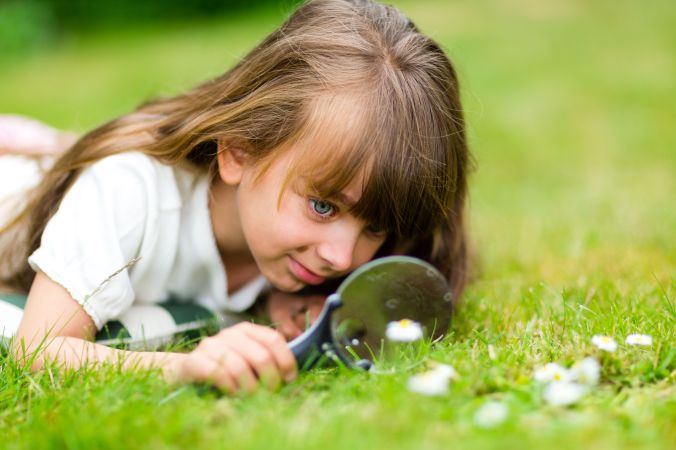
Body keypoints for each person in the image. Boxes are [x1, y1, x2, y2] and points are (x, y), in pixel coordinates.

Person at [0, 0, 471, 394]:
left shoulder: (285, 250)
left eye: (375, 226)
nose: (342, 256)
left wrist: (274, 300)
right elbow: (37, 349)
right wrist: (182, 366)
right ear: (238, 152)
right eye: (323, 206)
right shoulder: (127, 192)